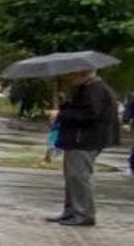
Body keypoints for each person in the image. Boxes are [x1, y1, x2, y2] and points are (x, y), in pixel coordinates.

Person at [46, 70, 117, 227]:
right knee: (72, 177)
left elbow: (89, 114)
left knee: (79, 176)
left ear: (84, 74)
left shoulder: (96, 90)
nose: (71, 78)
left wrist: (60, 115)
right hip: (78, 139)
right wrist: (64, 104)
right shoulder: (86, 89)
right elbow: (79, 109)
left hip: (84, 140)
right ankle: (72, 211)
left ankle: (83, 213)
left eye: (74, 75)